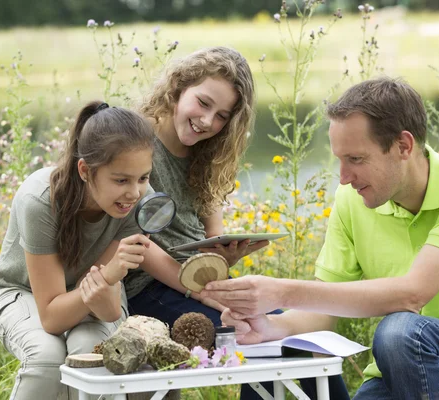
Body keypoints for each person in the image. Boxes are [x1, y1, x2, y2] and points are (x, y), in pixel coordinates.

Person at [201, 77, 439, 399]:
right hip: (398, 370)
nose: (344, 178)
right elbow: (323, 312)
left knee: (400, 330)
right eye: (340, 161)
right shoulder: (354, 200)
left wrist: (282, 290)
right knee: (399, 336)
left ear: (403, 146)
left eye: (356, 159)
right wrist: (271, 327)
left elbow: (413, 294)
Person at [127, 46, 350, 399]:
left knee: (299, 338)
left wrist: (226, 254)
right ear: (178, 88)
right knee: (255, 337)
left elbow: (212, 235)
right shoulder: (135, 141)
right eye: (202, 103)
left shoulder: (208, 152)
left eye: (221, 116)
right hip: (148, 286)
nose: (207, 121)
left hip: (203, 281)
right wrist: (200, 289)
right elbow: (136, 245)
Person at [0, 101, 218, 399]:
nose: (134, 192)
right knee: (46, 357)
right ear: (85, 170)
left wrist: (108, 280)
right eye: (121, 180)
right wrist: (108, 276)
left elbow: (107, 310)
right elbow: (52, 318)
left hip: (93, 290)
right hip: (25, 293)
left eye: (143, 178)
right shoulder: (40, 200)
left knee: (90, 354)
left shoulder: (139, 205)